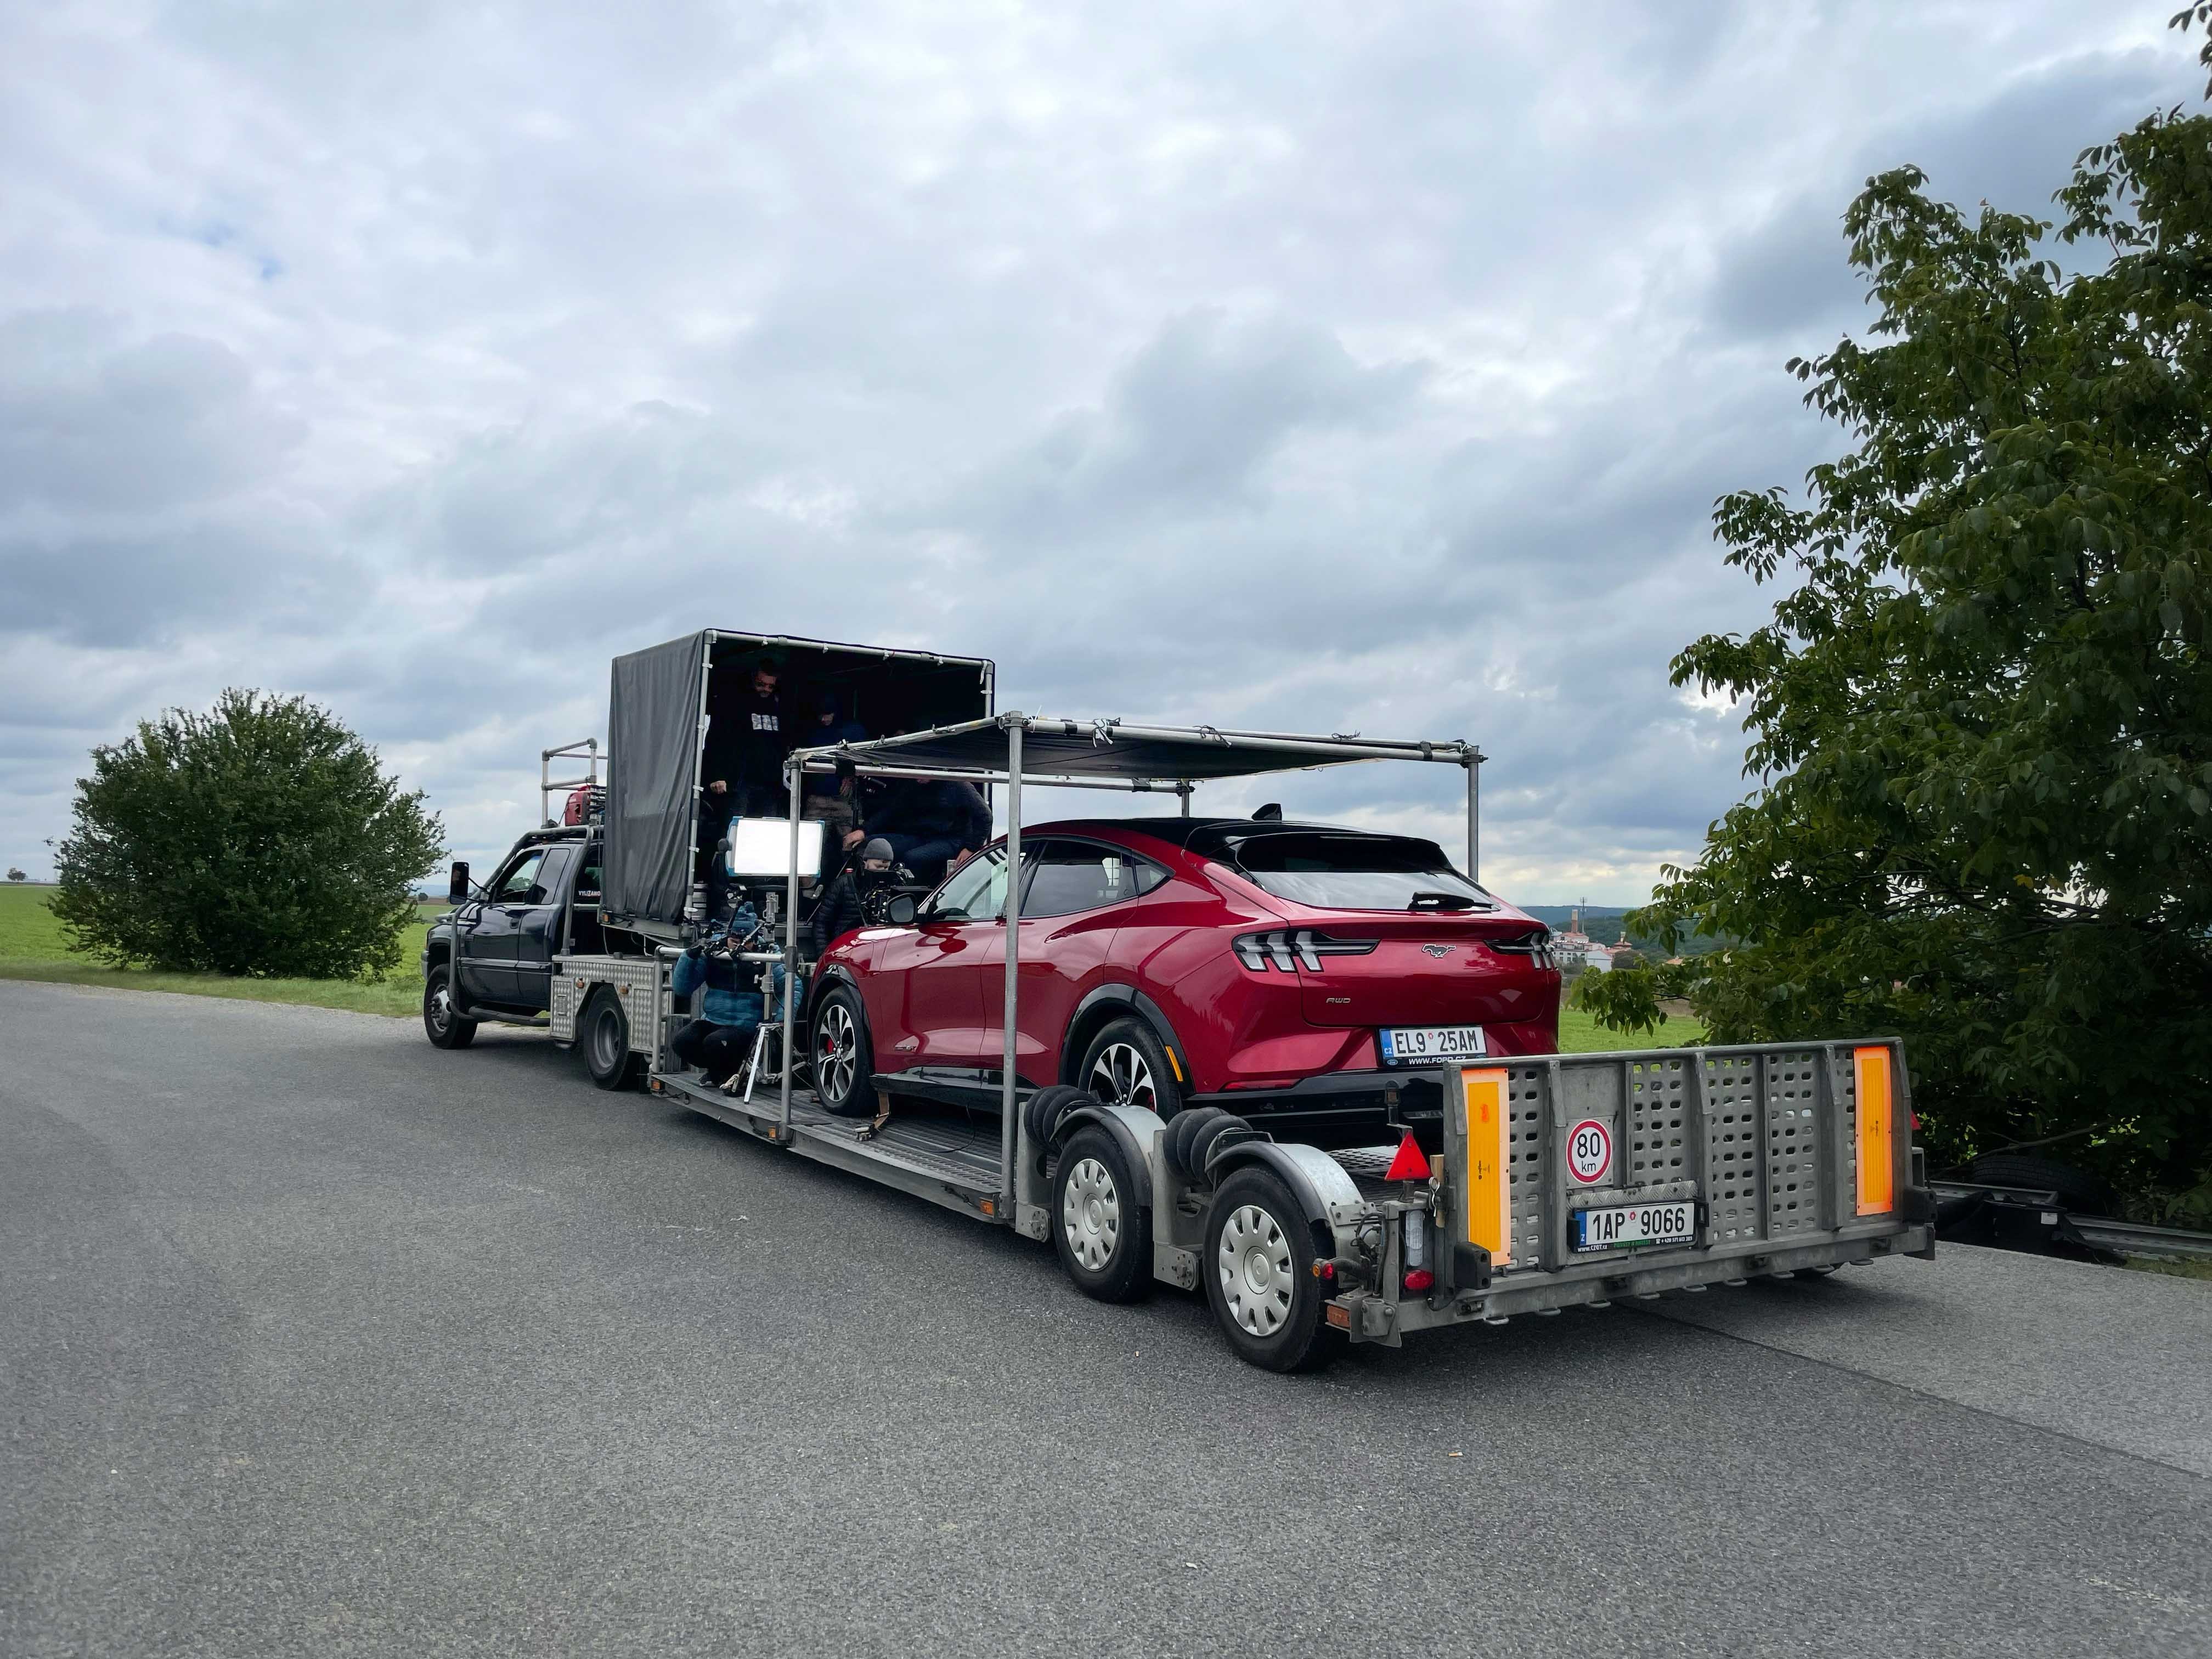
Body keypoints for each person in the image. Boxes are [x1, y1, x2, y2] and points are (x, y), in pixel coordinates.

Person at [670, 901, 765, 1086]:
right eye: (735, 939)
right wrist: (689, 957)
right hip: (713, 1019)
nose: (740, 944)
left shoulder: (765, 955)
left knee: (715, 1042)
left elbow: (791, 987)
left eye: (747, 940)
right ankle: (718, 1072)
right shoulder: (715, 952)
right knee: (682, 1042)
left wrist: (782, 1017)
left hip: (744, 1024)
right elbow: (682, 988)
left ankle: (726, 1073)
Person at [844, 775, 990, 881]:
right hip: (919, 836)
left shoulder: (959, 785)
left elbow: (985, 816)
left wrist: (971, 847)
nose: (917, 776)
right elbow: (891, 810)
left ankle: (907, 898)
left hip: (952, 839)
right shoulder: (913, 784)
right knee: (874, 843)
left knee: (913, 857)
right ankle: (866, 889)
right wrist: (864, 831)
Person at [702, 656, 791, 823]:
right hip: (740, 784)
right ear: (753, 680)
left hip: (771, 785)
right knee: (735, 833)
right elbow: (716, 741)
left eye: (770, 686)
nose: (766, 689)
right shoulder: (735, 703)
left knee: (767, 833)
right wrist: (717, 775)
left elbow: (785, 744)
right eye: (761, 684)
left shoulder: (780, 707)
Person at [800, 690, 868, 879]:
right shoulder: (810, 731)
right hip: (817, 799)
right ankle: (805, 897)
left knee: (853, 848)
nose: (824, 718)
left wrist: (851, 775)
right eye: (820, 714)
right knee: (808, 850)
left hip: (844, 800)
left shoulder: (853, 730)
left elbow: (866, 758)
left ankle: (856, 890)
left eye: (828, 714)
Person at [812, 837, 896, 956]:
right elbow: (821, 923)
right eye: (878, 867)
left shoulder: (893, 887)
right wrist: (825, 955)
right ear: (864, 863)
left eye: (886, 868)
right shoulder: (843, 884)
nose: (882, 871)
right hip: (845, 949)